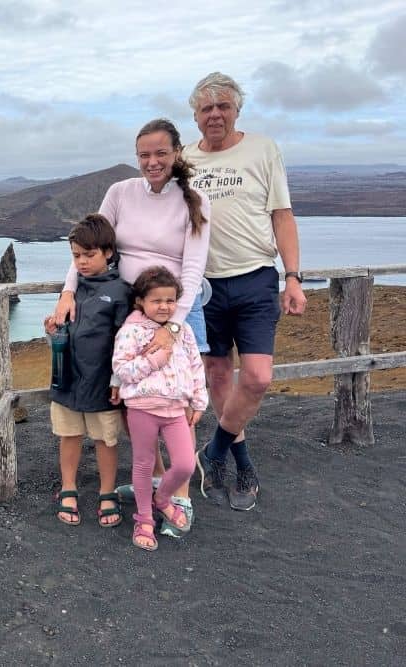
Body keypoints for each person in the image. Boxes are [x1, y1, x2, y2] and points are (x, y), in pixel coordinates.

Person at [48, 117, 210, 537]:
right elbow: (91, 239)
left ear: (177, 153)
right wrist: (69, 290)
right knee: (135, 406)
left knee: (176, 406)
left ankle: (182, 497)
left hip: (172, 308)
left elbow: (192, 270)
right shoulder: (120, 193)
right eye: (144, 154)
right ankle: (153, 482)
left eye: (160, 153)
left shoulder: (195, 201)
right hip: (129, 312)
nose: (152, 161)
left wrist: (173, 327)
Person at [182, 72, 307, 511]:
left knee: (256, 377)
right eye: (206, 108)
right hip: (203, 285)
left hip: (255, 276)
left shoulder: (263, 150)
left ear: (237, 110)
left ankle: (213, 452)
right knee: (217, 375)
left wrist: (293, 276)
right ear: (195, 115)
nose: (215, 114)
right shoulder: (184, 159)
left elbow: (282, 215)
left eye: (223, 106)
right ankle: (242, 463)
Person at [112, 267, 208, 551]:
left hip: (176, 409)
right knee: (143, 464)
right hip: (142, 408)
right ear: (140, 301)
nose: (164, 306)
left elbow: (195, 367)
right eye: (157, 300)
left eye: (170, 300)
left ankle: (162, 499)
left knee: (185, 464)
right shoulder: (130, 331)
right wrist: (153, 361)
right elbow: (122, 369)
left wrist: (198, 400)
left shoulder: (184, 331)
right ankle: (143, 518)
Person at [47, 214, 131, 528]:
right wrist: (53, 331)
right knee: (68, 435)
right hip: (67, 379)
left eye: (89, 254)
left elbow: (127, 340)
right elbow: (65, 331)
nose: (81, 262)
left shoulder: (121, 292)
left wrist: (118, 379)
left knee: (105, 439)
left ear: (108, 252)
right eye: (76, 256)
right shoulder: (71, 290)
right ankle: (68, 487)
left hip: (102, 383)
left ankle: (107, 492)